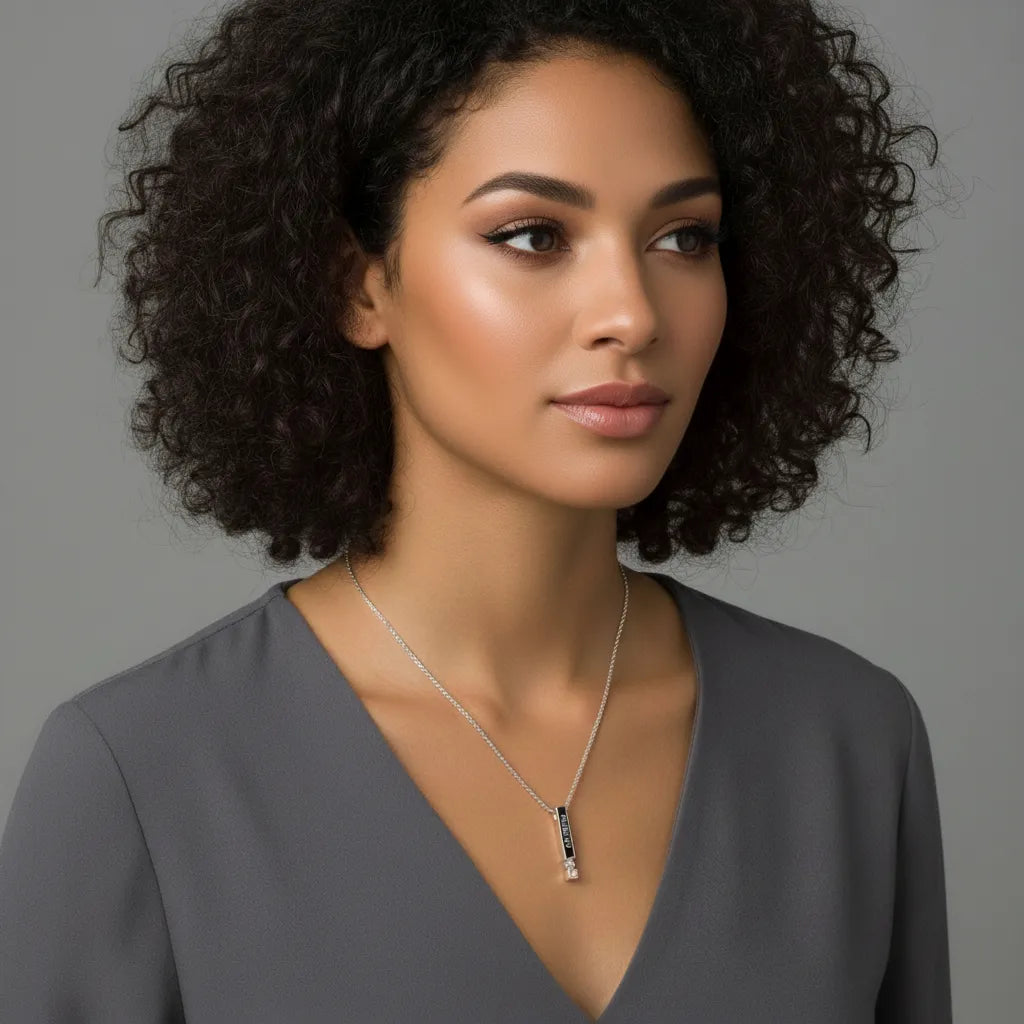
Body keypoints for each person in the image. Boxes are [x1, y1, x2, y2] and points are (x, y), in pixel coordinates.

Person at [0, 0, 954, 1020]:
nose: (632, 311)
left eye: (684, 235)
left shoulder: (848, 741)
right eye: (534, 234)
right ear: (358, 283)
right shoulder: (143, 773)